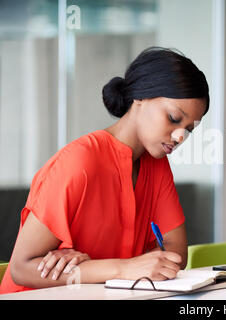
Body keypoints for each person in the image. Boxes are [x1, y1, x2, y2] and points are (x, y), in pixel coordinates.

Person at [0, 47, 209, 294]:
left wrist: (94, 268)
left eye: (189, 130)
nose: (179, 136)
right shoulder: (80, 161)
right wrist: (125, 268)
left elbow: (176, 252)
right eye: (174, 118)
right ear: (140, 98)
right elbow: (22, 269)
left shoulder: (157, 165)